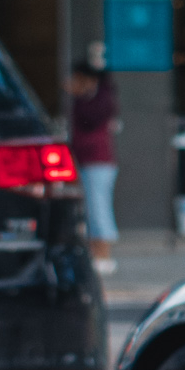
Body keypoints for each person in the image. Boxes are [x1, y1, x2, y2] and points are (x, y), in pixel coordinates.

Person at [67, 58, 117, 275]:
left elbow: (89, 120)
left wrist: (78, 95)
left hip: (98, 161)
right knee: (91, 208)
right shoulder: (91, 98)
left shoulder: (101, 99)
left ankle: (104, 254)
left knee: (99, 207)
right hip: (87, 161)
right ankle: (96, 253)